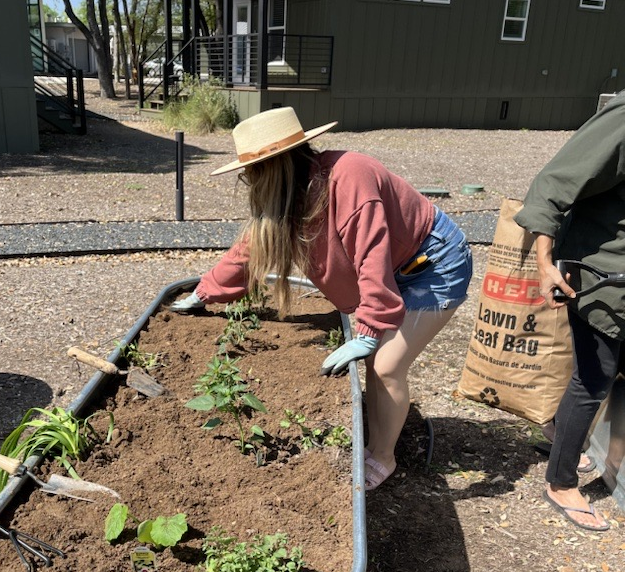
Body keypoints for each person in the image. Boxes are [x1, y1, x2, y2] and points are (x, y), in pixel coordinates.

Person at [170, 107, 473, 490]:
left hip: (433, 263)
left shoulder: (349, 177)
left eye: (251, 171)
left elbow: (371, 254)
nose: (247, 180)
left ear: (272, 167)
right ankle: (377, 434)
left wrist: (369, 327)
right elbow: (250, 249)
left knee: (387, 364)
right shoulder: (291, 194)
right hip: (396, 263)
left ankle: (384, 456)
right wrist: (205, 291)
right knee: (378, 360)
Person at [514, 92, 625, 532]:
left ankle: (561, 437)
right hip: (603, 276)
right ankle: (560, 483)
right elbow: (553, 185)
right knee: (595, 376)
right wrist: (544, 264)